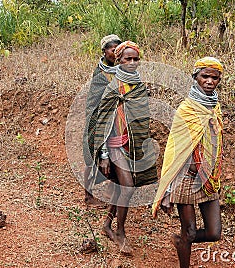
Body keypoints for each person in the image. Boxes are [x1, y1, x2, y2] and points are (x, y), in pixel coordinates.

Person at [152, 57, 224, 268]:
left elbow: (216, 143)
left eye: (214, 77)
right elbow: (175, 150)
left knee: (214, 232)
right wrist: (167, 188)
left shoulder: (214, 108)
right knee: (190, 231)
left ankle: (179, 240)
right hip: (186, 178)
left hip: (208, 176)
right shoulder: (187, 110)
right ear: (195, 78)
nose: (209, 81)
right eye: (205, 76)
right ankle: (184, 251)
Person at [91, 41, 158, 254]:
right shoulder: (113, 86)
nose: (132, 62)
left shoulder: (138, 85)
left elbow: (141, 118)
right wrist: (103, 155)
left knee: (123, 186)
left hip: (132, 144)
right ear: (118, 60)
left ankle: (107, 225)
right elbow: (102, 121)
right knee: (127, 186)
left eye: (135, 59)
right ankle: (120, 231)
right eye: (127, 58)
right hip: (113, 145)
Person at [83, 34, 122, 206]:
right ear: (104, 52)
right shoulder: (100, 73)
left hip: (116, 117)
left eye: (118, 50)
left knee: (116, 153)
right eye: (113, 50)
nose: (116, 53)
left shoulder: (122, 69)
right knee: (93, 154)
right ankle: (88, 195)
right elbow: (96, 99)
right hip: (98, 116)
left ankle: (111, 190)